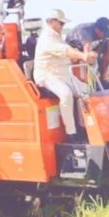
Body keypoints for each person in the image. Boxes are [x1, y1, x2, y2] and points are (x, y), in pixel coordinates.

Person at [32, 8, 82, 140]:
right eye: (61, 23)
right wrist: (82, 55)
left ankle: (84, 127)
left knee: (86, 92)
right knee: (66, 94)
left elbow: (66, 55)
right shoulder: (47, 39)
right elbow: (66, 51)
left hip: (62, 75)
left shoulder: (57, 37)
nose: (62, 26)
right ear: (52, 22)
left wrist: (76, 56)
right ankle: (71, 133)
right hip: (48, 76)